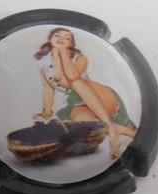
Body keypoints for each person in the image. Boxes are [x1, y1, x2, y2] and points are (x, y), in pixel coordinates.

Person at [34, 28, 137, 159]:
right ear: (50, 39)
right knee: (82, 122)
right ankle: (124, 130)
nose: (61, 39)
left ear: (71, 44)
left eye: (67, 38)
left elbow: (71, 78)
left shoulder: (80, 58)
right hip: (76, 103)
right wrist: (46, 112)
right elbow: (48, 88)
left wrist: (61, 53)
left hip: (98, 95)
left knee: (76, 83)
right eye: (57, 35)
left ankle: (111, 128)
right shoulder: (43, 63)